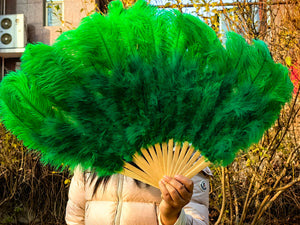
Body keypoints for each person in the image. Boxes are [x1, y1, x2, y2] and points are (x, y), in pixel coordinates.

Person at [65, 166, 212, 225]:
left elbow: (199, 220)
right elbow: (75, 219)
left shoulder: (181, 156)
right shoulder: (89, 156)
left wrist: (172, 217)